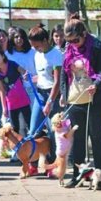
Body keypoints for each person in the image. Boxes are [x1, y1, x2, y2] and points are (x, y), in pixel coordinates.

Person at [60, 14, 101, 189]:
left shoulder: (98, 47)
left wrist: (96, 85)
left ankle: (99, 176)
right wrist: (63, 94)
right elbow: (63, 76)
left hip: (96, 100)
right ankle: (78, 176)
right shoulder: (68, 50)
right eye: (70, 41)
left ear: (84, 33)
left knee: (96, 136)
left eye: (76, 39)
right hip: (75, 100)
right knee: (78, 139)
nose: (73, 43)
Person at [28, 23, 63, 176]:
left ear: (44, 41)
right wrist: (32, 78)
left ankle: (52, 165)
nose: (35, 49)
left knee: (53, 132)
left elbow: (57, 82)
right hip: (39, 94)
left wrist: (50, 102)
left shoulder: (55, 55)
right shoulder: (37, 55)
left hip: (52, 96)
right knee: (33, 130)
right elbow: (42, 75)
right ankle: (33, 164)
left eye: (36, 45)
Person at [0, 48, 31, 136]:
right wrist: (4, 108)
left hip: (23, 99)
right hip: (11, 103)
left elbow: (24, 72)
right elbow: (2, 91)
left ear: (3, 56)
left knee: (29, 124)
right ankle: (17, 148)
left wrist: (26, 76)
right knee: (14, 127)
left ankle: (32, 146)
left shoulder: (12, 64)